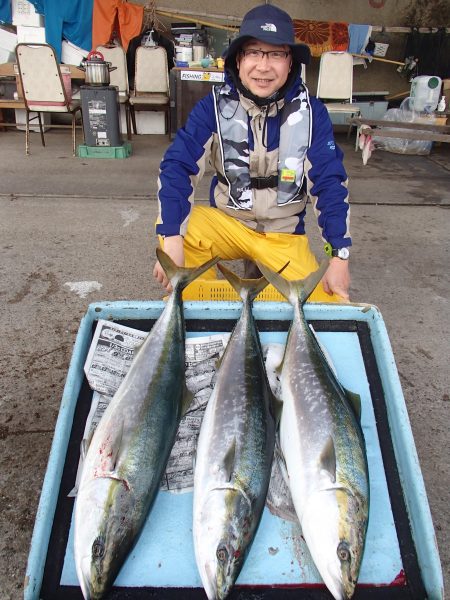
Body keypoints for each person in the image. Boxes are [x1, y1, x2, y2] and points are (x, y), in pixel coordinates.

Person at [153, 4, 351, 301]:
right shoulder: (213, 108)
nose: (263, 66)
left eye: (276, 54)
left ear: (290, 62)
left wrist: (339, 255)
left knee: (330, 302)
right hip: (230, 225)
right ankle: (193, 301)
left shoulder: (314, 114)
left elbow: (330, 183)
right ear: (238, 59)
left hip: (283, 236)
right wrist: (171, 239)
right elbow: (177, 167)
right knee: (182, 228)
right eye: (254, 52)